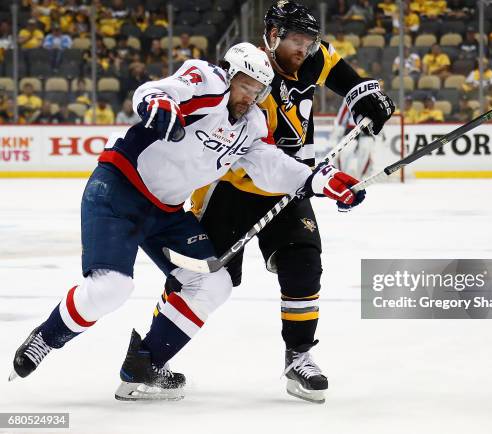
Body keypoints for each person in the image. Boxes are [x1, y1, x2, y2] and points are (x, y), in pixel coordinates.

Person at [10, 43, 365, 403]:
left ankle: (145, 366)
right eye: (246, 86)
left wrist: (321, 181)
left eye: (259, 91)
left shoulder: (251, 124)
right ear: (229, 74)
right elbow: (157, 90)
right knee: (111, 288)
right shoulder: (207, 81)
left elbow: (269, 166)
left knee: (215, 283)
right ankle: (45, 338)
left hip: (165, 211)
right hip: (119, 189)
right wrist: (158, 103)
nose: (250, 97)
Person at [151, 0, 394, 404]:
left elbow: (347, 78)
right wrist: (321, 180)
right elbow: (258, 154)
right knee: (199, 278)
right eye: (295, 39)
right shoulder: (250, 75)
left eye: (308, 40)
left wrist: (365, 99)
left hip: (288, 184)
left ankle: (299, 356)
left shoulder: (315, 57)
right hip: (229, 188)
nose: (303, 48)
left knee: (304, 261)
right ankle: (150, 355)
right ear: (273, 35)